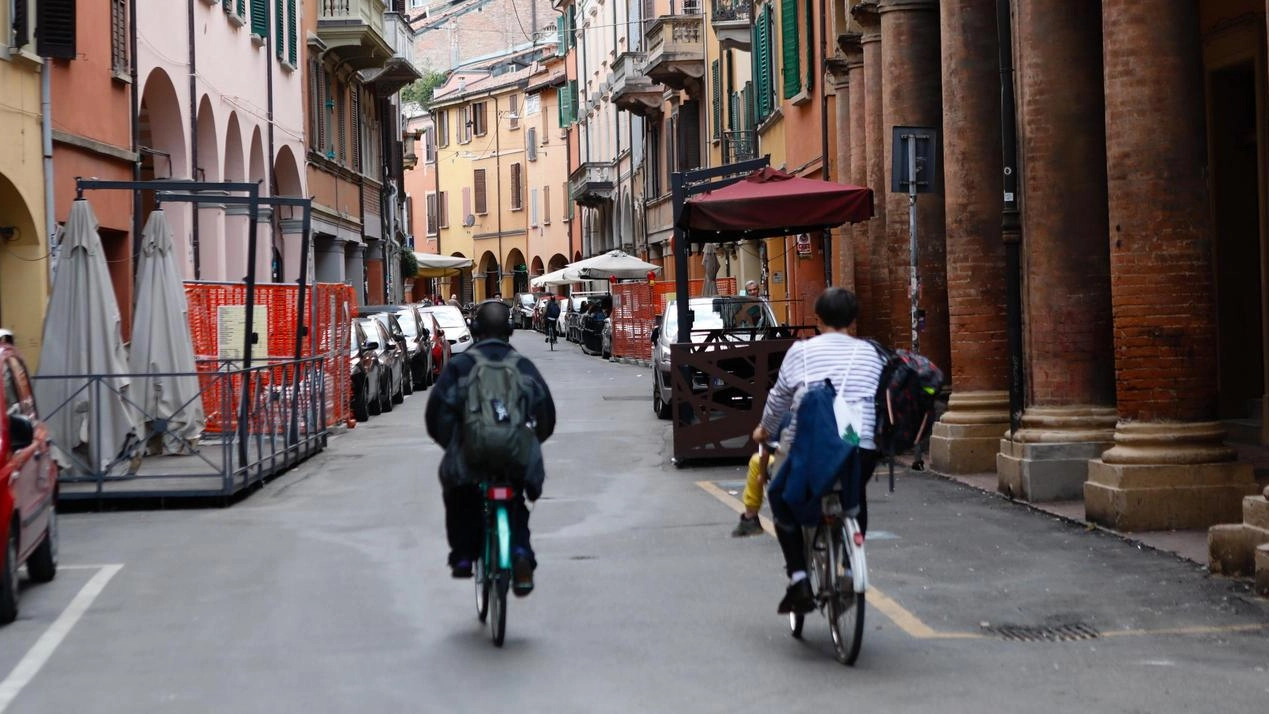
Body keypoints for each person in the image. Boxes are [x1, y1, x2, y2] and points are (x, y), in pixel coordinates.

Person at [751, 287, 884, 615]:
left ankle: (799, 578)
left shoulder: (802, 352)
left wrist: (764, 429)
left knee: (781, 497)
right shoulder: (871, 353)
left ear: (818, 319)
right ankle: (851, 570)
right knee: (854, 495)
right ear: (853, 320)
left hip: (812, 444)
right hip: (860, 442)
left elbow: (779, 399)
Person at [425, 300, 556, 596]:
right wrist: (529, 441)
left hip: (473, 452)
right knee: (516, 504)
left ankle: (462, 555)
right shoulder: (523, 366)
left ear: (474, 329)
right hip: (512, 454)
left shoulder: (461, 366)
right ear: (509, 330)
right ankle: (521, 554)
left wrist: (455, 443)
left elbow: (436, 414)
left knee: (461, 494)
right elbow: (546, 414)